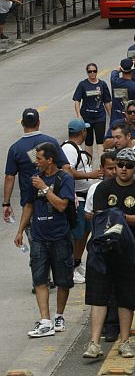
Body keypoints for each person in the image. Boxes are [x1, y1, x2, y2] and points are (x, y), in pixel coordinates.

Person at [82, 148, 135, 359]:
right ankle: (94, 343)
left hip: (129, 252)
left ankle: (125, 341)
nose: (123, 169)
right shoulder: (104, 188)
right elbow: (99, 216)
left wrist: (120, 217)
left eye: (129, 166)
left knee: (126, 298)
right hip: (103, 251)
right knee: (98, 297)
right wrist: (121, 216)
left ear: (134, 168)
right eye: (120, 164)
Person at [13, 142, 75, 338]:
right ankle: (45, 320)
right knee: (39, 279)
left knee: (63, 280)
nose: (36, 163)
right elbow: (29, 206)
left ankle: (59, 316)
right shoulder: (34, 180)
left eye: (39, 159)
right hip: (38, 238)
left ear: (50, 160)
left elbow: (62, 206)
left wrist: (45, 189)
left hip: (60, 237)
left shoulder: (64, 179)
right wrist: (20, 230)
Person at [62, 119, 102, 284]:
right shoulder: (69, 149)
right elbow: (67, 171)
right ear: (82, 133)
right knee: (76, 234)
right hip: (77, 197)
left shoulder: (75, 148)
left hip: (85, 196)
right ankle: (70, 267)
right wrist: (89, 175)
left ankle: (77, 263)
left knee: (85, 231)